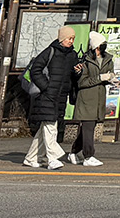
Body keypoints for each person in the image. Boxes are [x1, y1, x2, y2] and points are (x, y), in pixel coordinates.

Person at [23, 26, 81, 170]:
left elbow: (72, 76)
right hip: (47, 96)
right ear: (62, 38)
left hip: (60, 96)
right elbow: (35, 69)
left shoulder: (72, 55)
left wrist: (77, 72)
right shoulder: (50, 51)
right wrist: (46, 86)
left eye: (73, 38)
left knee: (44, 130)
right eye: (69, 38)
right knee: (50, 127)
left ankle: (30, 158)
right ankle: (52, 158)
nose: (71, 41)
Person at [67, 32, 113, 167]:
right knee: (88, 128)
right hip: (87, 99)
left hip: (99, 98)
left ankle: (74, 152)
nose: (104, 48)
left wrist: (111, 78)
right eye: (101, 45)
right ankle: (88, 155)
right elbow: (82, 82)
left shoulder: (108, 59)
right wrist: (100, 78)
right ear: (96, 47)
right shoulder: (85, 61)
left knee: (88, 129)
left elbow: (109, 74)